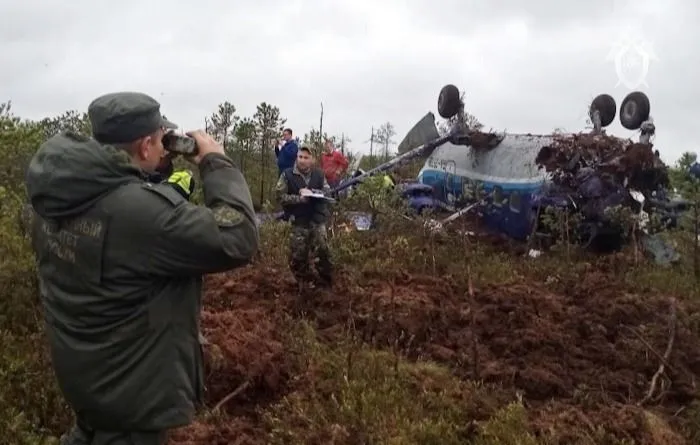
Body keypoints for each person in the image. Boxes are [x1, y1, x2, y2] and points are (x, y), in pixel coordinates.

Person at [24, 91, 259, 445]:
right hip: (132, 403)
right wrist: (215, 162)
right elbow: (237, 235)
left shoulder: (54, 198)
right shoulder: (142, 214)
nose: (166, 149)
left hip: (89, 389)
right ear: (146, 145)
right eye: (161, 140)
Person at [275, 145, 333, 288]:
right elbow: (280, 196)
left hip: (317, 220)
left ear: (311, 159)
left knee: (323, 252)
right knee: (298, 257)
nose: (302, 160)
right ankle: (304, 285)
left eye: (306, 157)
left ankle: (326, 284)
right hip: (298, 221)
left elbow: (327, 191)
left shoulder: (319, 174)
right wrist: (299, 198)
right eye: (300, 157)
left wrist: (315, 193)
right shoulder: (287, 175)